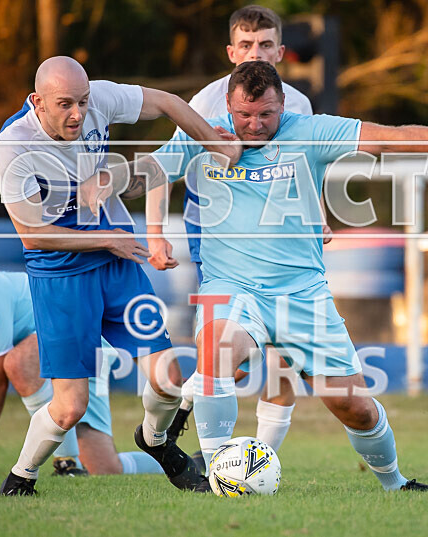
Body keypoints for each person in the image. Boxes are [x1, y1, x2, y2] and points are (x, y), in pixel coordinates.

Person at [146, 60, 428, 491]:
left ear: (283, 104)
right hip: (232, 287)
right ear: (228, 103)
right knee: (216, 356)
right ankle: (215, 479)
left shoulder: (308, 130)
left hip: (303, 293)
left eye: (266, 114)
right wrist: (136, 218)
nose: (254, 125)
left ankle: (396, 484)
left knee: (353, 405)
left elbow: (390, 138)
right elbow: (153, 170)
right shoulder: (204, 132)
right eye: (244, 114)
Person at [0, 56, 240, 495]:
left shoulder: (99, 99)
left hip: (115, 263)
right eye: (65, 104)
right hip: (61, 274)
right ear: (38, 101)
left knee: (168, 380)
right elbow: (33, 237)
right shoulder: (14, 143)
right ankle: (21, 476)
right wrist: (108, 239)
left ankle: (156, 441)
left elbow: (166, 101)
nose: (78, 114)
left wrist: (213, 143)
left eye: (83, 103)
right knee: (70, 406)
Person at [147, 5, 315, 456]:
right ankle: (196, 434)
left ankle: (258, 460)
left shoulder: (298, 105)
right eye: (245, 45)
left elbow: (302, 173)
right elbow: (162, 168)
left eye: (263, 45)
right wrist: (156, 234)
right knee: (225, 352)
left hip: (282, 242)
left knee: (283, 358)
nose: (253, 53)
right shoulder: (204, 104)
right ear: (230, 50)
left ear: (281, 51)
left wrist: (316, 220)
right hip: (217, 237)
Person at [0, 248, 165, 480]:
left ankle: (66, 463)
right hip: (58, 358)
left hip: (82, 340)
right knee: (106, 469)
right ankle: (180, 460)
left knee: (19, 362)